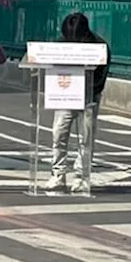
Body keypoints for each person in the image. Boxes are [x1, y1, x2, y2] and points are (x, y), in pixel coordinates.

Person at [45, 12, 110, 194]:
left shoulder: (99, 46)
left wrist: (88, 91)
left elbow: (101, 78)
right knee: (59, 133)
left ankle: (81, 177)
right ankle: (57, 175)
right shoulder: (60, 45)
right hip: (65, 96)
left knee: (85, 138)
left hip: (89, 98)